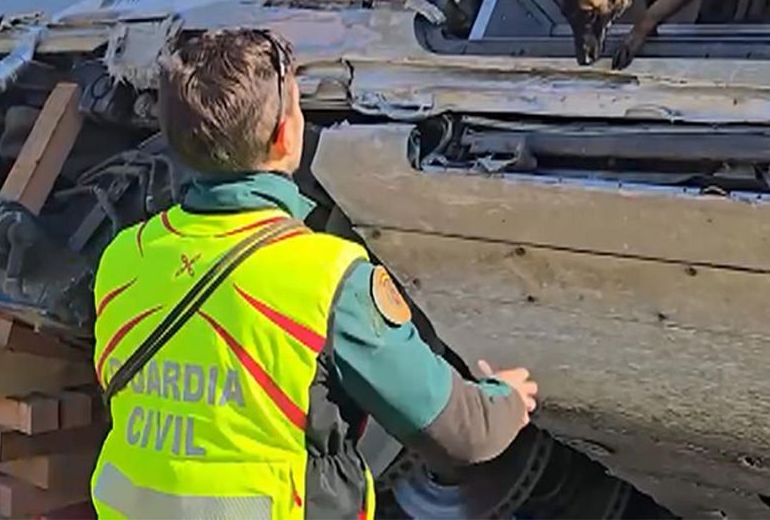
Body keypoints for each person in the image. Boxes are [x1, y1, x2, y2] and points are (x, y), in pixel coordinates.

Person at [89, 28, 538, 519]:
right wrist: (508, 400)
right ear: (286, 135)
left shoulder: (123, 259)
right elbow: (464, 433)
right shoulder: (327, 280)